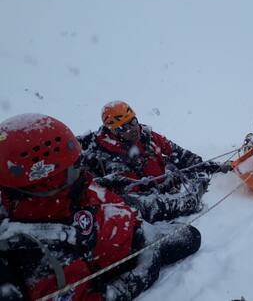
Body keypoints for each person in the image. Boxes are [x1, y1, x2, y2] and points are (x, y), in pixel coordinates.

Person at [0, 114, 201, 301]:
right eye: (74, 165)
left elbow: (89, 191)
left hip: (127, 223)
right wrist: (142, 273)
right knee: (191, 236)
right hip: (132, 250)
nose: (81, 169)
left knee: (168, 219)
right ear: (49, 176)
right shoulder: (40, 247)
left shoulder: (65, 192)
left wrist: (108, 182)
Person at [78, 101, 231, 223]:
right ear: (114, 131)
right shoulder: (106, 158)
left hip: (164, 182)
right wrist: (187, 202)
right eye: (124, 127)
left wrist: (212, 167)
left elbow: (178, 153)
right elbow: (139, 205)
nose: (133, 129)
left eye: (133, 121)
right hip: (148, 200)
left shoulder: (146, 136)